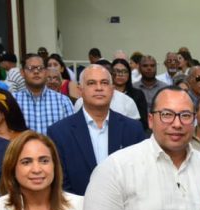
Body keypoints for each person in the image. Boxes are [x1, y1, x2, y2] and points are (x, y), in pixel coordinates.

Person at [47, 64, 146, 195]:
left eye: (104, 83)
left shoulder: (133, 129)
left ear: (112, 90)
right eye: (91, 83)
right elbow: (59, 182)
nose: (99, 88)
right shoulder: (59, 132)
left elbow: (141, 176)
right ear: (80, 90)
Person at [14, 54, 74, 134]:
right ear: (22, 72)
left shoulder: (63, 101)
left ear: (46, 72)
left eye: (40, 68)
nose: (36, 72)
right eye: (31, 68)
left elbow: (72, 133)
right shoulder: (13, 100)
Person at [111, 59, 148, 132]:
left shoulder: (137, 94)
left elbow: (143, 122)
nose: (120, 74)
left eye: (124, 71)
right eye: (117, 71)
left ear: (129, 74)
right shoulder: (105, 94)